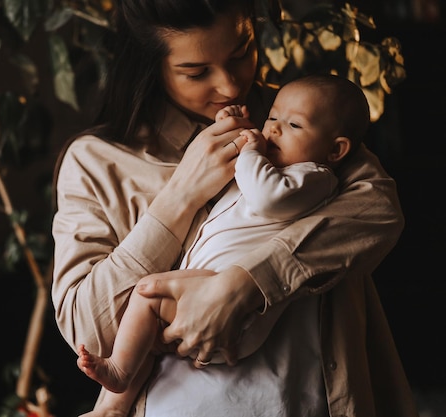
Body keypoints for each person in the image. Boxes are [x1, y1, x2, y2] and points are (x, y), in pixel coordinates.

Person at [51, 1, 418, 416]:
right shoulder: (97, 161)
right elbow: (91, 333)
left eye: (241, 52)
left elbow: (378, 211)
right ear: (151, 66)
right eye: (196, 72)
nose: (228, 86)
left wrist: (247, 284)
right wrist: (180, 196)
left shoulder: (296, 118)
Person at [74, 73, 371, 417]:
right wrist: (233, 127)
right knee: (147, 329)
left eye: (293, 125)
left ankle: (118, 379)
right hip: (202, 290)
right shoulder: (90, 157)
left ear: (336, 150)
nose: (273, 129)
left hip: (235, 315)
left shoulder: (313, 177)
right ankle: (112, 405)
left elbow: (265, 194)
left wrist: (249, 149)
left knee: (147, 296)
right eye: (272, 117)